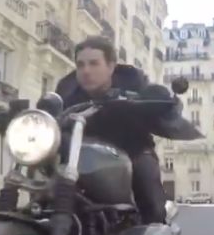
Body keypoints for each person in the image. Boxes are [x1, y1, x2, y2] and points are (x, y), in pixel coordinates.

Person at [54, 36, 169, 224]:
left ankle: (155, 229)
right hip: (82, 154)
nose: (86, 71)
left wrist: (158, 98)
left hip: (132, 149)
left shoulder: (132, 79)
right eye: (80, 65)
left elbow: (152, 97)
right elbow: (53, 114)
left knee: (148, 189)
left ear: (111, 66)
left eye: (94, 63)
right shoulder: (66, 88)